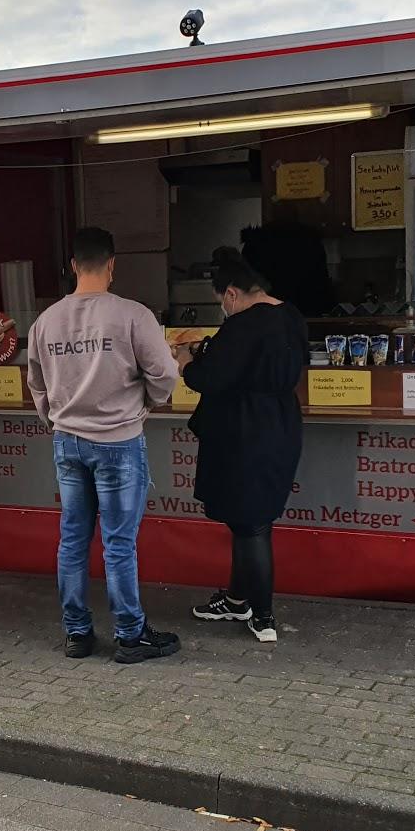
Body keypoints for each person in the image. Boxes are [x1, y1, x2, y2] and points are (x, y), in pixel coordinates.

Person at [27, 227, 181, 663]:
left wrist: (57, 419)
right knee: (118, 543)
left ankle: (77, 634)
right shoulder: (133, 315)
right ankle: (130, 636)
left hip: (67, 443)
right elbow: (165, 375)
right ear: (112, 265)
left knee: (72, 540)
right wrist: (148, 403)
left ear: (73, 266)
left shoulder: (45, 321)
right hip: (118, 442)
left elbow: (36, 385)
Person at [173, 248, 308, 642]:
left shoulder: (243, 324)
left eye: (221, 302)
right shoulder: (291, 316)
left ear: (231, 294)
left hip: (245, 432)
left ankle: (262, 616)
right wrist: (205, 351)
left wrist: (184, 361)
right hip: (281, 424)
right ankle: (235, 600)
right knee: (248, 519)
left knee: (251, 524)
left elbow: (208, 378)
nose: (224, 310)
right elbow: (243, 361)